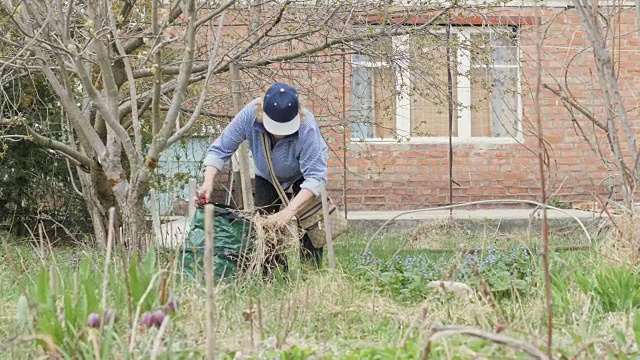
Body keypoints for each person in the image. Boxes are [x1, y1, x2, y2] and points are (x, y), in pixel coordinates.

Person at [194, 82, 328, 269]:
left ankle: (310, 274)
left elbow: (315, 178)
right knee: (264, 227)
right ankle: (273, 275)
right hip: (267, 174)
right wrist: (208, 182)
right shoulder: (249, 115)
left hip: (302, 176)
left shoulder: (308, 127)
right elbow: (220, 150)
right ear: (262, 114)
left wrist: (288, 212)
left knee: (310, 227)